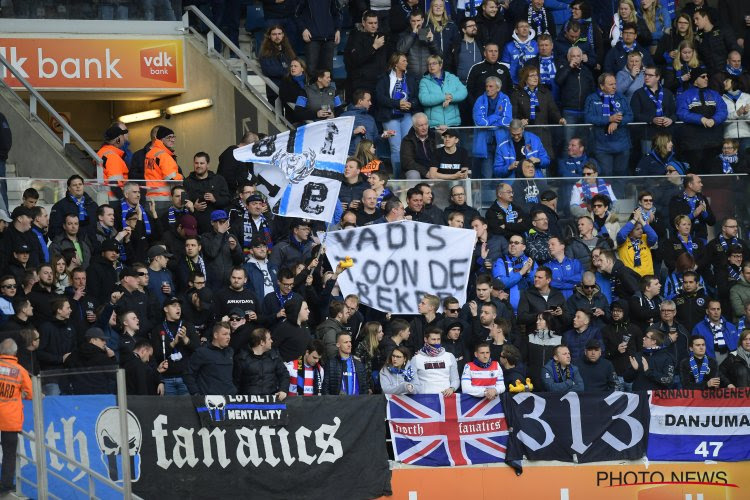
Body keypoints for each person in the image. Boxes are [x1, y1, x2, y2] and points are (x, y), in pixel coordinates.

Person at [375, 52, 420, 178]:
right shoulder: (384, 78)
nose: (407, 63)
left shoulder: (411, 78)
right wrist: (397, 104)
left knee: (407, 146)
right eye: (404, 61)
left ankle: (408, 174)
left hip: (407, 115)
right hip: (390, 116)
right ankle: (398, 177)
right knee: (396, 148)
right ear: (395, 63)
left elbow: (416, 97)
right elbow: (379, 97)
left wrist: (410, 104)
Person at [676, 68, 728, 172]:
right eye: (703, 76)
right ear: (695, 80)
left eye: (707, 76)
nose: (706, 78)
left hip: (714, 141)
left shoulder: (714, 94)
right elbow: (681, 113)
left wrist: (714, 120)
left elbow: (723, 110)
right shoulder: (685, 95)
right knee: (695, 171)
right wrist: (701, 119)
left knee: (712, 171)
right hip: (693, 143)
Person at [584, 73, 633, 177]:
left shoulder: (621, 98)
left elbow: (630, 115)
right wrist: (609, 119)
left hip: (622, 145)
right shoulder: (592, 99)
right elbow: (588, 117)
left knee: (621, 176)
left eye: (615, 84)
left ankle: (619, 194)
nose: (614, 86)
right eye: (610, 84)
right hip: (602, 146)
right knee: (607, 175)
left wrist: (616, 122)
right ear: (602, 86)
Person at [0, 338, 32, 496]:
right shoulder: (20, 371)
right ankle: (5, 486)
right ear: (14, 352)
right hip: (10, 420)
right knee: (9, 455)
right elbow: (31, 394)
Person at [472, 75, 513, 179]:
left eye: (491, 86)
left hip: (501, 143)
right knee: (487, 176)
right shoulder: (480, 100)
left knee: (501, 175)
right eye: (487, 86)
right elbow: (480, 123)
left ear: (498, 88)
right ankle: (488, 196)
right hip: (486, 145)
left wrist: (489, 122)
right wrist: (496, 116)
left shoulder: (505, 99)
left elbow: (507, 120)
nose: (487, 89)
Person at [183, 152, 231, 234]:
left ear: (208, 165)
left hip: (216, 225)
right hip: (195, 226)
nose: (198, 166)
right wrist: (193, 207)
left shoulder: (218, 180)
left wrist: (215, 200)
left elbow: (227, 200)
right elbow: (183, 202)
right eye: (196, 163)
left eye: (202, 163)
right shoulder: (187, 182)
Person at [233, 326, 288, 398]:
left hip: (270, 401)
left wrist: (283, 390)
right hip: (249, 403)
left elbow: (284, 374)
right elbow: (235, 382)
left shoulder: (274, 356)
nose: (272, 341)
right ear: (262, 342)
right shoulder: (242, 358)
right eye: (269, 339)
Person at [418, 54, 468, 128]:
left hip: (452, 123)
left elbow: (463, 91)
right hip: (434, 125)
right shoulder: (424, 81)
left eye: (434, 63)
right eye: (429, 64)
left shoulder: (452, 78)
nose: (431, 66)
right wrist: (444, 97)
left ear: (440, 65)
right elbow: (424, 99)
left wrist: (451, 97)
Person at [64, 327, 117, 395]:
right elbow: (115, 375)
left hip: (79, 397)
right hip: (100, 398)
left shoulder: (73, 355)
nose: (105, 342)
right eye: (102, 339)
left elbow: (66, 376)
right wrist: (112, 357)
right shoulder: (102, 357)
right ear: (93, 340)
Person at [294, 0, 340, 77]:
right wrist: (303, 29)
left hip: (329, 38)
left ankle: (328, 89)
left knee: (328, 70)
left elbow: (337, 14)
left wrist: (338, 29)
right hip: (312, 38)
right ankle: (311, 89)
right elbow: (296, 14)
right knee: (311, 69)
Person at [202, 210, 244, 290]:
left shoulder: (231, 237)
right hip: (212, 283)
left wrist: (234, 250)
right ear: (212, 223)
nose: (222, 224)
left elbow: (240, 261)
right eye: (219, 222)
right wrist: (220, 234)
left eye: (224, 221)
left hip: (230, 282)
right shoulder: (205, 237)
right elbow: (212, 253)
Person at [48, 175, 99, 241]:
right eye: (74, 185)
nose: (78, 186)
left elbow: (98, 227)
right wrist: (67, 244)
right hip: (71, 247)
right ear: (69, 188)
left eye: (80, 184)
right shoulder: (59, 206)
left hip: (93, 246)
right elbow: (54, 231)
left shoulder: (93, 205)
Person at [409, 329, 460, 395]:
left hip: (445, 398)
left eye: (438, 339)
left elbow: (455, 379)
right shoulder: (416, 359)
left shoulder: (449, 356)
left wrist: (452, 388)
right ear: (425, 339)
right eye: (433, 339)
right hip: (424, 399)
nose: (436, 342)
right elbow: (414, 382)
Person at [668, 174, 716, 241]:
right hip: (682, 239)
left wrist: (704, 213)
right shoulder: (676, 200)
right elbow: (674, 222)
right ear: (690, 185)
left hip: (701, 238)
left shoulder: (702, 198)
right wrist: (693, 215)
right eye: (699, 182)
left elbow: (712, 222)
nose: (701, 184)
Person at [144, 127, 183, 207]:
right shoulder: (164, 156)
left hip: (150, 198)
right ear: (161, 139)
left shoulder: (150, 154)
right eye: (169, 137)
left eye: (173, 137)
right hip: (163, 199)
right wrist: (181, 177)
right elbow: (171, 178)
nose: (173, 140)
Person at [693, 8, 739, 75]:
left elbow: (734, 49)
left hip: (728, 72)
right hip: (710, 75)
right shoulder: (698, 37)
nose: (695, 22)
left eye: (697, 19)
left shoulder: (723, 30)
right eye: (694, 20)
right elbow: (699, 58)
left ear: (705, 17)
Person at [692, 299, 738, 365]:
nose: (716, 312)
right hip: (708, 362)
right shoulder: (698, 328)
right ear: (707, 311)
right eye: (713, 309)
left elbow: (737, 346)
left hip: (730, 360)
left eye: (718, 309)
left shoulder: (730, 326)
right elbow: (693, 349)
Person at [259, 24, 296, 105]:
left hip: (289, 89)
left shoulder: (288, 50)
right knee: (276, 116)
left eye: (279, 34)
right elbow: (269, 70)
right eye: (274, 34)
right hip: (274, 90)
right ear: (269, 36)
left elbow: (295, 66)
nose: (277, 36)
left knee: (290, 116)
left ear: (283, 35)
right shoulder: (265, 52)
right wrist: (287, 71)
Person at [616, 209, 659, 277]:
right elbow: (621, 234)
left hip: (647, 277)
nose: (641, 231)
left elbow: (654, 237)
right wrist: (635, 219)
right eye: (637, 229)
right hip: (631, 278)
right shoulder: (623, 241)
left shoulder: (645, 238)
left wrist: (641, 220)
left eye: (642, 228)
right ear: (630, 230)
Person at [401, 112, 440, 179]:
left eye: (426, 124)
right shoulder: (407, 140)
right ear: (414, 126)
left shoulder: (435, 136)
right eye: (421, 125)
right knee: (413, 175)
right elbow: (408, 162)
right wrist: (425, 172)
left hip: (434, 168)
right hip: (417, 170)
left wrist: (445, 133)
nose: (424, 128)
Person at [271, 296, 312, 362]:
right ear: (297, 310)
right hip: (288, 369)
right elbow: (271, 347)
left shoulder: (304, 325)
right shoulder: (284, 327)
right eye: (305, 309)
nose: (308, 311)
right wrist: (281, 365)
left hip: (301, 367)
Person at [502, 20, 538, 86]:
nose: (524, 29)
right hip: (514, 83)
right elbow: (505, 67)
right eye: (521, 26)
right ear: (516, 30)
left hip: (532, 83)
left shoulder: (536, 44)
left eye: (527, 26)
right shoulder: (509, 46)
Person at [98, 125, 130, 200]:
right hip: (114, 199)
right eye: (122, 136)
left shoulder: (101, 152)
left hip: (106, 197)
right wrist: (125, 200)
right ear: (118, 140)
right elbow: (115, 184)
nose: (124, 138)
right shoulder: (113, 156)